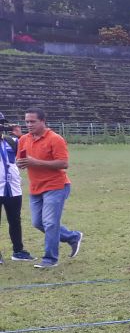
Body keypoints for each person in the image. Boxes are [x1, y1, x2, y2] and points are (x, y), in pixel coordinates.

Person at [15, 108, 82, 269]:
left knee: (50, 223)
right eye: (27, 122)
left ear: (43, 121)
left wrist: (34, 162)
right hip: (36, 187)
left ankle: (50, 259)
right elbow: (20, 159)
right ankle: (72, 237)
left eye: (33, 121)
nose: (29, 124)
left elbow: (63, 163)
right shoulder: (24, 139)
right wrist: (20, 163)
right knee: (38, 223)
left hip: (56, 186)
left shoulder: (55, 139)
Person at [0, 113, 33, 262]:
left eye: (2, 123)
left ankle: (18, 251)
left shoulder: (12, 141)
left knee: (15, 220)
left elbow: (27, 151)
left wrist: (21, 137)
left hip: (13, 188)